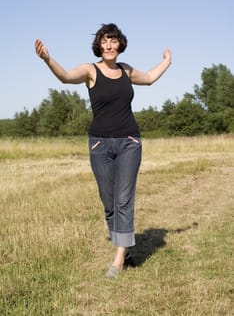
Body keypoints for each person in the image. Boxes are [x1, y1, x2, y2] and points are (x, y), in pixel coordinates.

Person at [35, 23, 172, 278]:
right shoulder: (90, 70)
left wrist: (166, 62)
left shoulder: (126, 71)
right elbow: (65, 76)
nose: (109, 45)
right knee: (108, 202)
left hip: (129, 141)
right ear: (99, 46)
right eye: (104, 41)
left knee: (123, 199)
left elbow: (150, 79)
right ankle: (126, 249)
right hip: (99, 144)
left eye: (113, 40)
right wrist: (47, 59)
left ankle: (119, 258)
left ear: (120, 45)